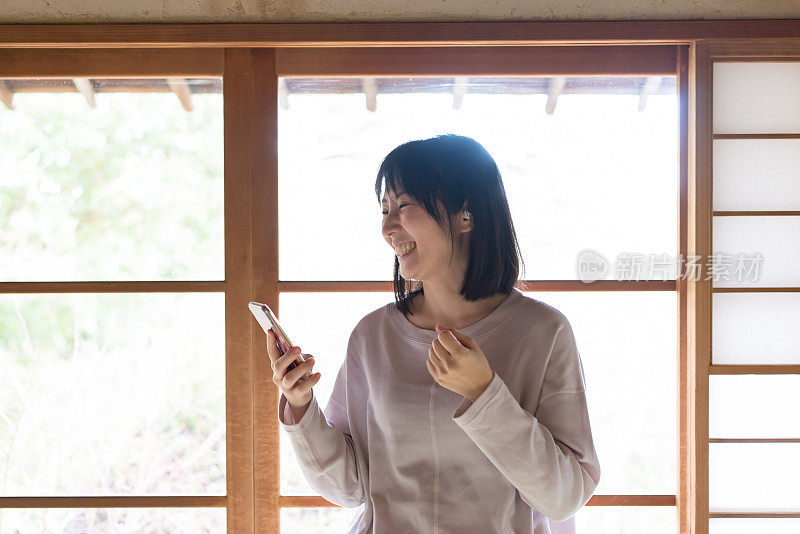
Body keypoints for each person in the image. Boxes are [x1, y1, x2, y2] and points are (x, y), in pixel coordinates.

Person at [270, 134, 601, 533]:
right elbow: (350, 487)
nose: (388, 227)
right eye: (384, 208)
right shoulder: (372, 336)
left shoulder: (544, 332)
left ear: (466, 215)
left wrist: (484, 393)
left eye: (404, 205)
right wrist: (301, 404)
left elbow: (563, 497)